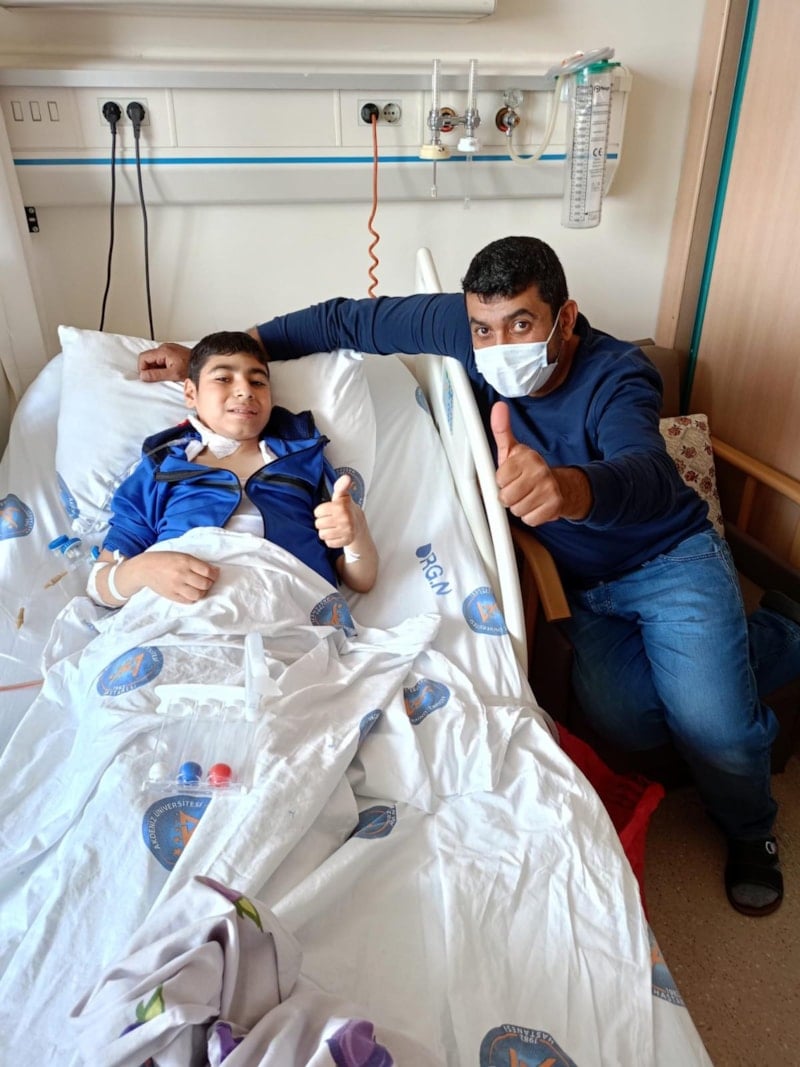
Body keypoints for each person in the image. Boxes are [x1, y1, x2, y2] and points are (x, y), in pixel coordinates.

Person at [138, 236, 800, 917]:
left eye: (522, 324)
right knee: (627, 722)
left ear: (566, 318)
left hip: (668, 558)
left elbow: (649, 471)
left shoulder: (618, 375)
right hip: (586, 585)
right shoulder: (459, 327)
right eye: (484, 329)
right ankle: (770, 636)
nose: (498, 344)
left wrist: (568, 489)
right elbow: (344, 320)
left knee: (712, 725)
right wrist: (213, 355)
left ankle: (751, 827)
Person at [90, 330, 378, 609]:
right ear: (191, 392)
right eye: (223, 378)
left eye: (258, 382)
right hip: (182, 619)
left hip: (287, 613)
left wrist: (357, 533)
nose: (244, 391)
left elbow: (361, 581)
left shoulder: (305, 463)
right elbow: (99, 588)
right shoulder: (162, 468)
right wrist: (142, 570)